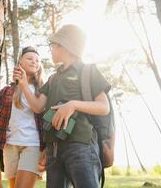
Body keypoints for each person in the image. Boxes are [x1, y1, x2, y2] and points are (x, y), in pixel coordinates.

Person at [13, 24, 111, 188]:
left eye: (53, 46)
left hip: (81, 147)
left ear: (64, 46)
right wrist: (22, 85)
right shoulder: (52, 79)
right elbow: (38, 107)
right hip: (54, 151)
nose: (50, 50)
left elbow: (104, 107)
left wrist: (72, 105)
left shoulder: (88, 71)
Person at [0, 46, 45, 188]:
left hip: (32, 144)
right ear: (20, 63)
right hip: (10, 144)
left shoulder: (42, 90)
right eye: (29, 58)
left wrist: (24, 85)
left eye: (37, 60)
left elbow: (40, 110)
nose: (34, 61)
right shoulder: (7, 90)